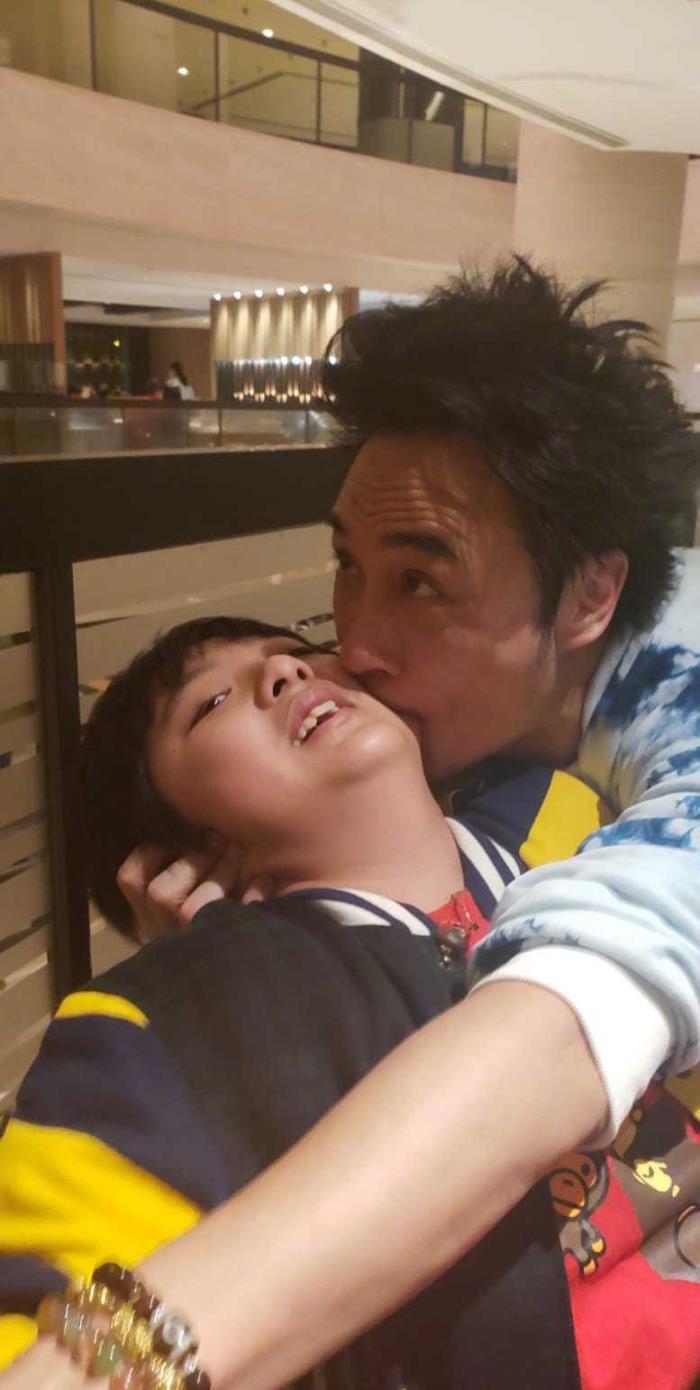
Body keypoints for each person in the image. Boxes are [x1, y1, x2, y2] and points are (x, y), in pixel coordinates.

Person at [100, 258, 699, 1387]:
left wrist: (108, 1361)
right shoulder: (503, 749)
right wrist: (236, 982)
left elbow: (572, 1015)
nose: (354, 645)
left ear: (589, 594)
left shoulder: (683, 699)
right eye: (347, 566)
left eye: (421, 582)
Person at [0, 615, 617, 1387]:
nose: (286, 673)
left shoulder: (596, 792)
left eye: (298, 652)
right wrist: (212, 990)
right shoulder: (156, 1032)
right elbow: (41, 1335)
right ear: (180, 850)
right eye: (212, 703)